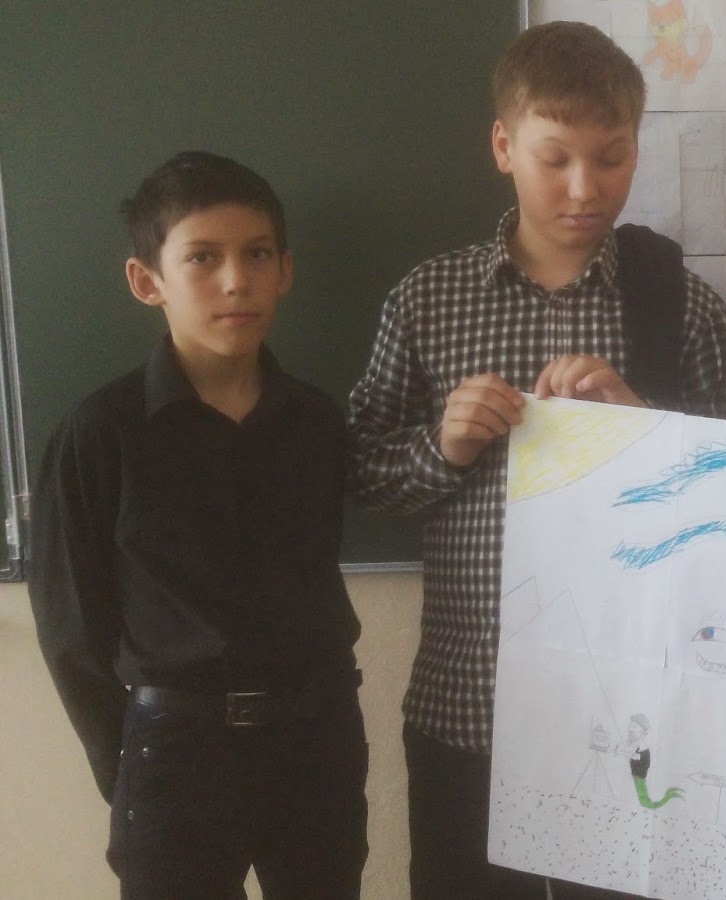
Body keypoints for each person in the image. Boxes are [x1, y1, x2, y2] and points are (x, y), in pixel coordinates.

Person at [346, 21, 726, 900]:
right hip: (468, 709)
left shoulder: (680, 306)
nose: (583, 187)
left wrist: (642, 429)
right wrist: (443, 446)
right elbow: (356, 475)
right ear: (503, 146)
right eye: (554, 158)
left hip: (635, 715)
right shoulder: (428, 300)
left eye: (612, 158)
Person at [29, 150, 367, 899]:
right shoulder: (101, 432)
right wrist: (128, 767)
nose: (236, 280)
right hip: (176, 751)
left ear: (285, 269)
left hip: (317, 739)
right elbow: (71, 629)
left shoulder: (316, 421)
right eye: (202, 258)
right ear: (147, 280)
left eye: (257, 254)